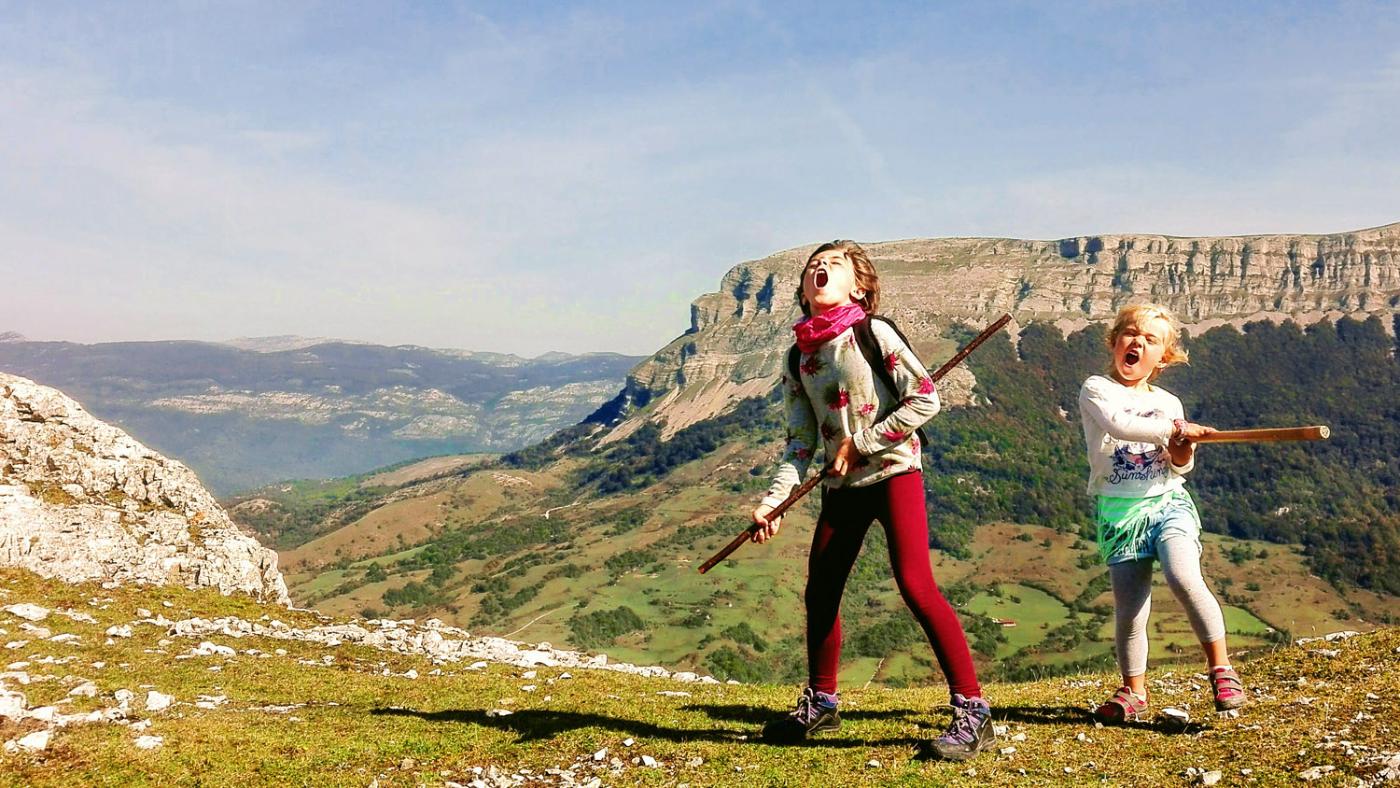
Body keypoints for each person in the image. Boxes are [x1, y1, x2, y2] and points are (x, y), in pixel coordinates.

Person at [750, 240, 993, 760]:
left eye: (835, 264)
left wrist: (858, 443)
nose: (821, 267)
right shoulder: (799, 357)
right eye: (814, 264)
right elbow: (799, 444)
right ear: (802, 288)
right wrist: (774, 502)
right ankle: (822, 702)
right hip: (842, 487)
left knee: (915, 585)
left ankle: (974, 711)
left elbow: (926, 396)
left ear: (859, 286)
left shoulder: (872, 332)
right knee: (821, 591)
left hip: (895, 472)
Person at [1077, 303, 1247, 723]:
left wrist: (1184, 447)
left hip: (1168, 502)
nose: (1137, 342)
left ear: (1163, 358)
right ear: (1115, 341)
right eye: (1130, 334)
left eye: (1150, 340)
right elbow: (1119, 426)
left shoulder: (1169, 401)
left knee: (1183, 575)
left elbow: (1179, 465)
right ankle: (1133, 691)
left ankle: (1221, 668)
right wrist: (1177, 430)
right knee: (1131, 610)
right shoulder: (1097, 388)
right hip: (1120, 514)